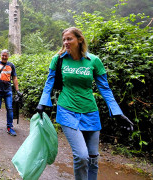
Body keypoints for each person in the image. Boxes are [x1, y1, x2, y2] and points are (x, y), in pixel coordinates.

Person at [36, 27, 134, 180]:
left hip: (90, 112)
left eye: (69, 39)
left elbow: (105, 89)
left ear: (80, 39)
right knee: (82, 156)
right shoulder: (59, 59)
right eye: (64, 39)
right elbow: (49, 82)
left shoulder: (93, 61)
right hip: (67, 110)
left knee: (93, 158)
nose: (66, 42)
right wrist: (43, 102)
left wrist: (117, 111)